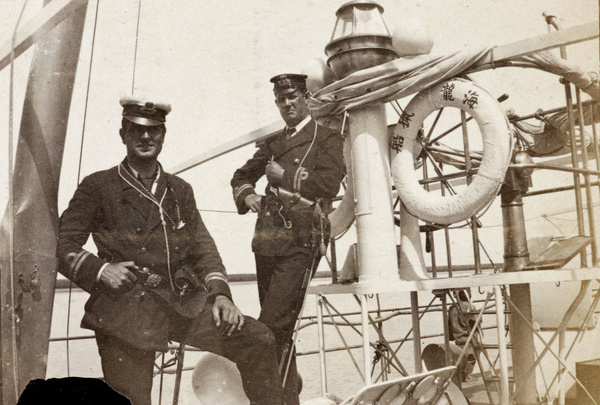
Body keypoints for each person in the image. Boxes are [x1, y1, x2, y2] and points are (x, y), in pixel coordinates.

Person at [56, 96, 283, 405]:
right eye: (137, 130)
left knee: (257, 339)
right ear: (123, 134)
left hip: (181, 302)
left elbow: (203, 248)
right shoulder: (98, 186)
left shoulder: (179, 190)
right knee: (132, 399)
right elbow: (62, 243)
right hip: (125, 309)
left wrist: (220, 295)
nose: (146, 137)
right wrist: (101, 270)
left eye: (154, 131)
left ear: (163, 135)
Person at [231, 74, 345, 405]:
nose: (287, 104)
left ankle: (267, 400)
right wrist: (248, 194)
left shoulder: (326, 138)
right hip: (267, 240)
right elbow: (240, 176)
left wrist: (287, 176)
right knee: (278, 330)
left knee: (269, 326)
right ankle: (287, 398)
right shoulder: (271, 143)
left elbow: (330, 184)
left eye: (292, 97)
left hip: (302, 240)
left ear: (306, 98)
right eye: (281, 100)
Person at [448, 289, 481, 383]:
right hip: (468, 337)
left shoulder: (452, 308)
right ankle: (467, 375)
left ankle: (460, 375)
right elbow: (475, 321)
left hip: (458, 336)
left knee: (461, 356)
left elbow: (449, 324)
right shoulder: (469, 306)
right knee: (472, 354)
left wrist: (450, 336)